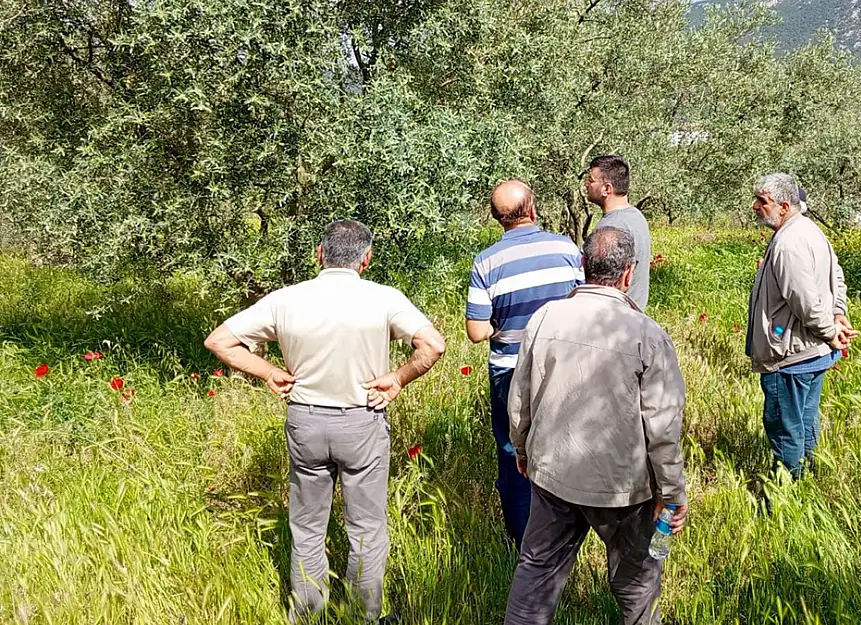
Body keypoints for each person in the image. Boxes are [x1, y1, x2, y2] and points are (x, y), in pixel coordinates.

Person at [204, 220, 446, 624]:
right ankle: (363, 617)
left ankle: (309, 614)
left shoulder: (286, 299)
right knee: (367, 530)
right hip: (362, 420)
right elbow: (433, 345)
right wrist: (397, 379)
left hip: (306, 421)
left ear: (320, 254)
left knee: (307, 527)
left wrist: (266, 371)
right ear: (365, 259)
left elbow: (219, 341)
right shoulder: (384, 298)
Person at [503, 227, 687, 625]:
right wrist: (671, 492)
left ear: (583, 267)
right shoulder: (647, 335)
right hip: (624, 489)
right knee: (636, 588)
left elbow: (519, 399)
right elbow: (663, 428)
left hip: (553, 475)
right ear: (628, 274)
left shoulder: (545, 318)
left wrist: (522, 449)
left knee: (536, 575)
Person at [465, 180, 583, 548]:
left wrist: (501, 324)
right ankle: (568, 530)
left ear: (496, 218)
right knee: (566, 442)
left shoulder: (486, 262)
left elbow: (476, 331)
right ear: (532, 207)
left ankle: (523, 537)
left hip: (509, 369)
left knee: (513, 450)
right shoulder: (566, 248)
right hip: (562, 365)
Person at [745, 173, 857, 479]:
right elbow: (837, 276)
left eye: (762, 201)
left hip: (790, 358)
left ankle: (782, 497)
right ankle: (806, 484)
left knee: (785, 430)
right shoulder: (810, 231)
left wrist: (831, 330)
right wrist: (838, 312)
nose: (755, 206)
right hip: (811, 353)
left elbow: (804, 302)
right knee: (805, 424)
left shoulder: (789, 243)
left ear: (783, 206)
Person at [584, 155, 652, 309]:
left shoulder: (611, 229)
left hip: (614, 319)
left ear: (606, 189)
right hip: (633, 316)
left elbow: (603, 287)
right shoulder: (635, 216)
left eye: (591, 180)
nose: (586, 184)